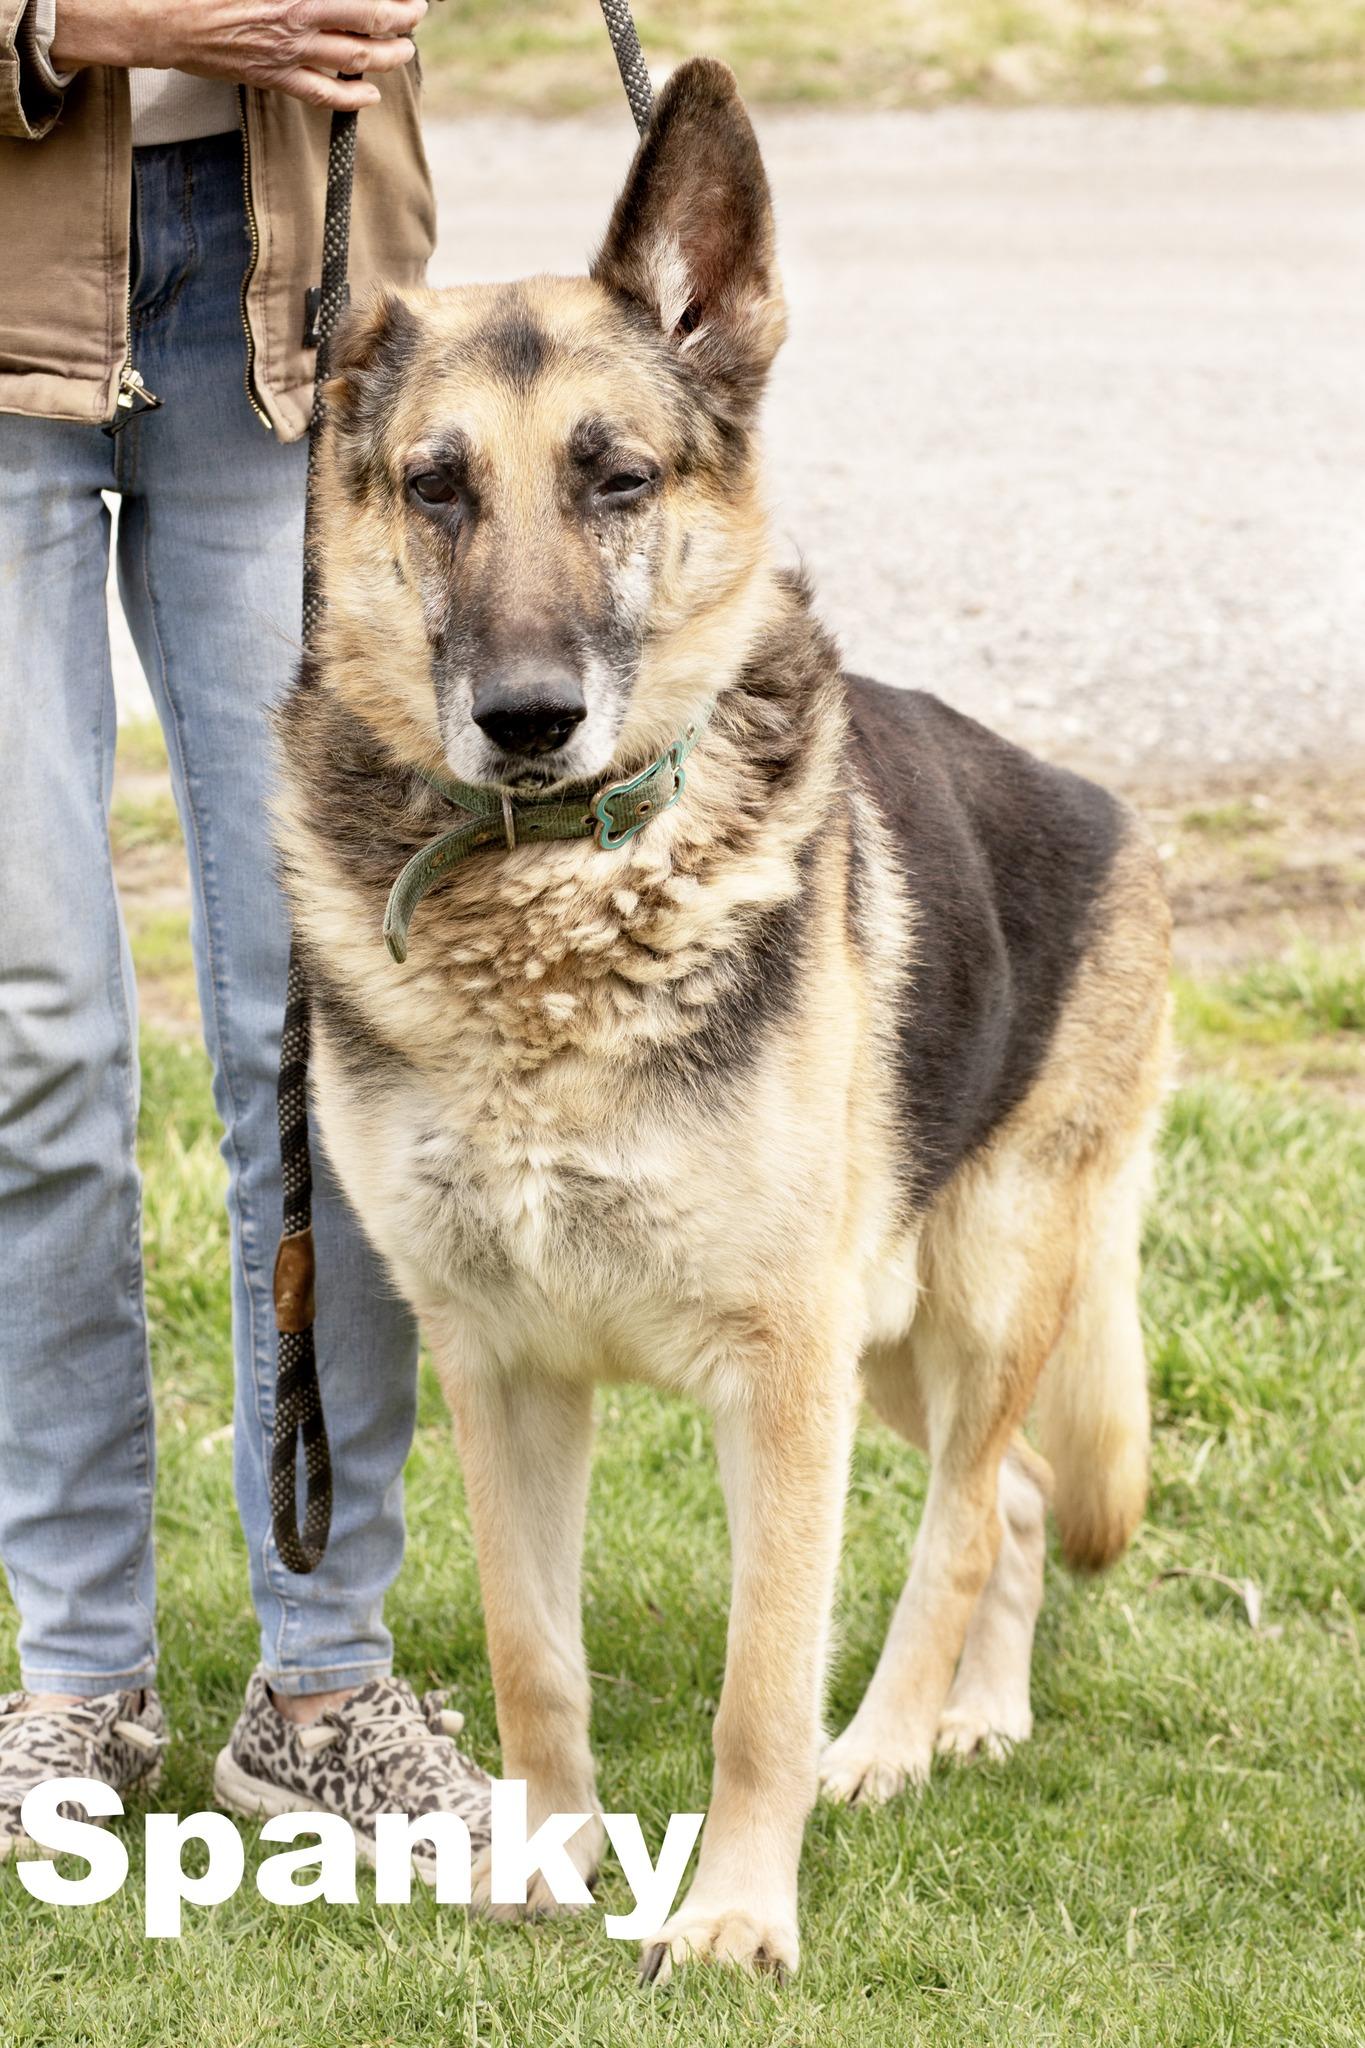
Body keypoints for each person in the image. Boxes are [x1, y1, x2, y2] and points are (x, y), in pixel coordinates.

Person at [0, 0, 491, 1859]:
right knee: (30, 1033)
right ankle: (76, 1677)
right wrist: (86, 24)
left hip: (296, 298)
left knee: (313, 1024)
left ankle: (324, 1686)